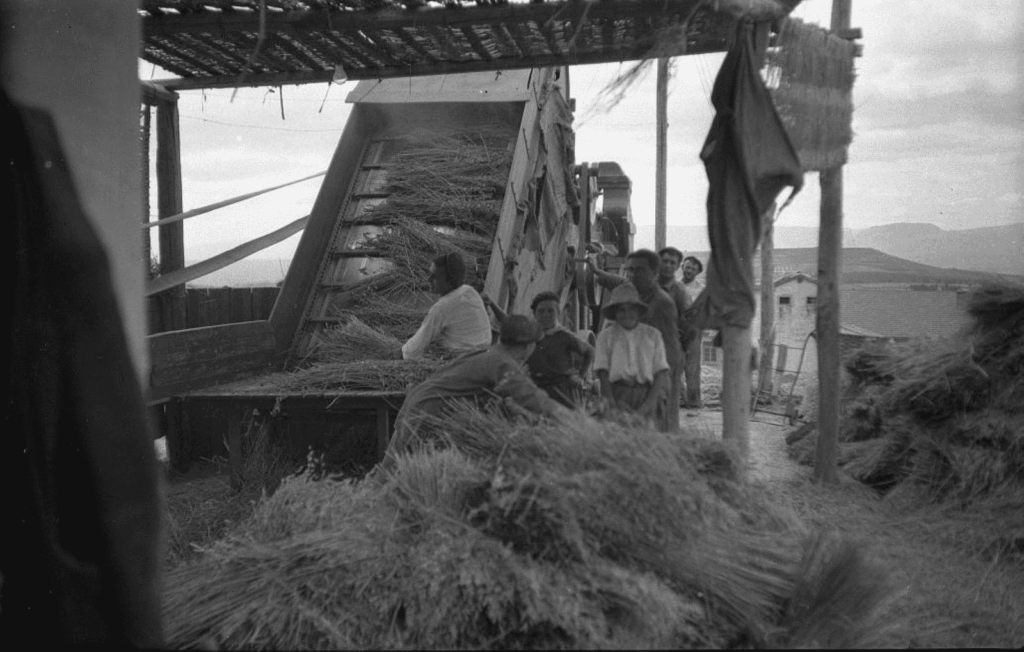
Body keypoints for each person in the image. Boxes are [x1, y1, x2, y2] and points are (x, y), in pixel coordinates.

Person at [387, 315, 568, 457]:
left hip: (419, 405)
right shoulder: (501, 362)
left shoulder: (490, 353)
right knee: (405, 477)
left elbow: (503, 399)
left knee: (390, 474)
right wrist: (571, 419)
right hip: (428, 414)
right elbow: (531, 397)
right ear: (528, 345)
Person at [589, 249, 683, 432]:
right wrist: (597, 272)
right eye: (629, 269)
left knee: (657, 432)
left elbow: (670, 354)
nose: (632, 274)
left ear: (655, 274)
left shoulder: (661, 303)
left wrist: (657, 396)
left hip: (651, 384)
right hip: (623, 388)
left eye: (639, 270)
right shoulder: (632, 291)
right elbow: (618, 281)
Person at [482, 290, 595, 408]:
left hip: (563, 390)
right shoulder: (530, 334)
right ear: (535, 314)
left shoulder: (564, 336)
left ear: (558, 313)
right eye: (541, 311)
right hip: (537, 386)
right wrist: (492, 304)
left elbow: (589, 351)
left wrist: (580, 376)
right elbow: (507, 322)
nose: (545, 315)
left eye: (550, 311)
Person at [592, 283, 672, 431]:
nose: (626, 314)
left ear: (639, 311)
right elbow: (602, 373)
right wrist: (611, 405)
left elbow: (661, 372)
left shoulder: (652, 335)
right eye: (621, 310)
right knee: (617, 436)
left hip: (645, 393)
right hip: (617, 393)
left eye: (631, 309)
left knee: (645, 440)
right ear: (614, 313)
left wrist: (649, 404)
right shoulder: (606, 336)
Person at [400, 252, 492, 360]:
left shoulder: (442, 308)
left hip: (467, 362)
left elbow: (414, 349)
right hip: (486, 353)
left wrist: (397, 354)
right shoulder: (469, 291)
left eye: (435, 277)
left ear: (449, 281)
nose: (428, 279)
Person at [680, 255, 706, 414]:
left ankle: (694, 402)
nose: (689, 271)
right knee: (674, 364)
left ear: (697, 272)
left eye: (693, 269)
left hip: (693, 330)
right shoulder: (674, 285)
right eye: (687, 267)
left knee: (692, 366)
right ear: (682, 267)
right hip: (675, 329)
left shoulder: (700, 289)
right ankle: (679, 399)